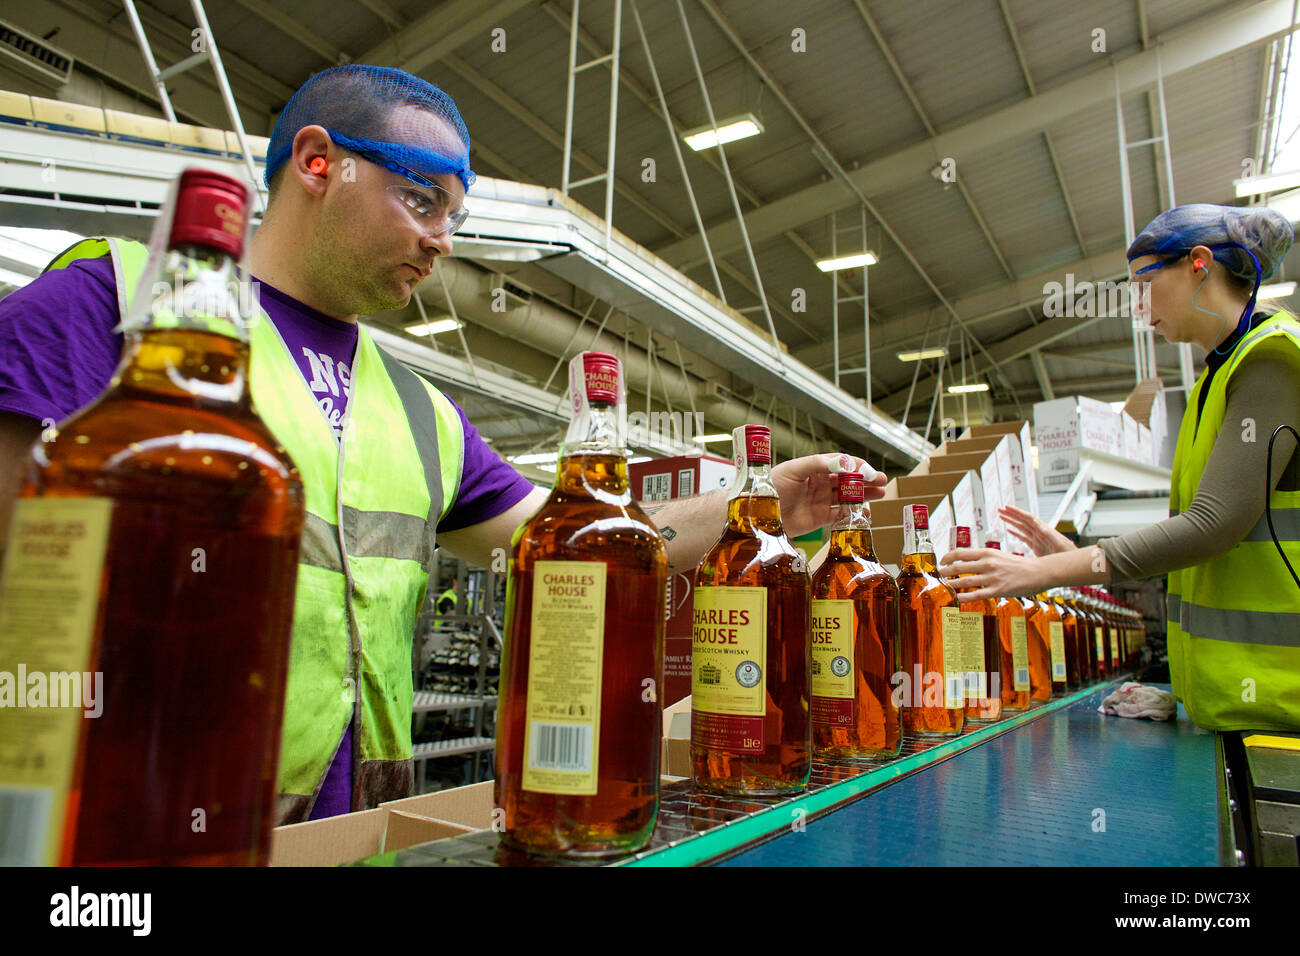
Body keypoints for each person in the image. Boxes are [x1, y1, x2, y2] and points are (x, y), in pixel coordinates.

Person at [0, 65, 886, 822]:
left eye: (455, 217)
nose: (441, 241)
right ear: (318, 163)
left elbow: (583, 543)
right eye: (421, 200)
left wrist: (752, 502)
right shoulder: (112, 303)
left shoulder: (421, 411)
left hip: (346, 827)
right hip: (126, 817)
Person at [938, 203, 1300, 732]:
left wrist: (1042, 572)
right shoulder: (1213, 382)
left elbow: (1215, 526)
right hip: (1239, 707)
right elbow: (1203, 555)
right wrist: (1177, 695)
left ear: (1199, 264)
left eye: (1144, 283)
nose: (1138, 306)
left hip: (1281, 706)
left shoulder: (1271, 361)